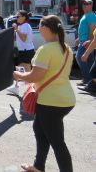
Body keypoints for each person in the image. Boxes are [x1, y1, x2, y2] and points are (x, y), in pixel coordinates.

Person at [13, 15, 75, 172]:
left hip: (50, 101)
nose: (38, 29)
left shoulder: (45, 49)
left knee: (57, 143)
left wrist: (18, 75)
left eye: (40, 25)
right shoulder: (66, 48)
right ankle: (38, 166)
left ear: (47, 28)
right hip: (64, 98)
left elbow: (35, 76)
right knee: (40, 130)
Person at [7, 11, 35, 96]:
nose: (16, 18)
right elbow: (18, 39)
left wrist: (16, 29)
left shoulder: (25, 25)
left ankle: (29, 89)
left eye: (18, 16)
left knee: (23, 70)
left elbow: (23, 38)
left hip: (26, 51)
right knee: (23, 70)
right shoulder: (22, 26)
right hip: (24, 50)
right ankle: (25, 88)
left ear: (23, 17)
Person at [75, 0, 96, 86]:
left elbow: (92, 29)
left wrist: (90, 41)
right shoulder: (85, 15)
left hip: (86, 41)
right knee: (90, 61)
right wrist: (78, 39)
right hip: (83, 40)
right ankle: (91, 80)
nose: (85, 5)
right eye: (83, 3)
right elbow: (84, 29)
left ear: (91, 5)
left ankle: (87, 79)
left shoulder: (91, 15)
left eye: (87, 3)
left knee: (79, 57)